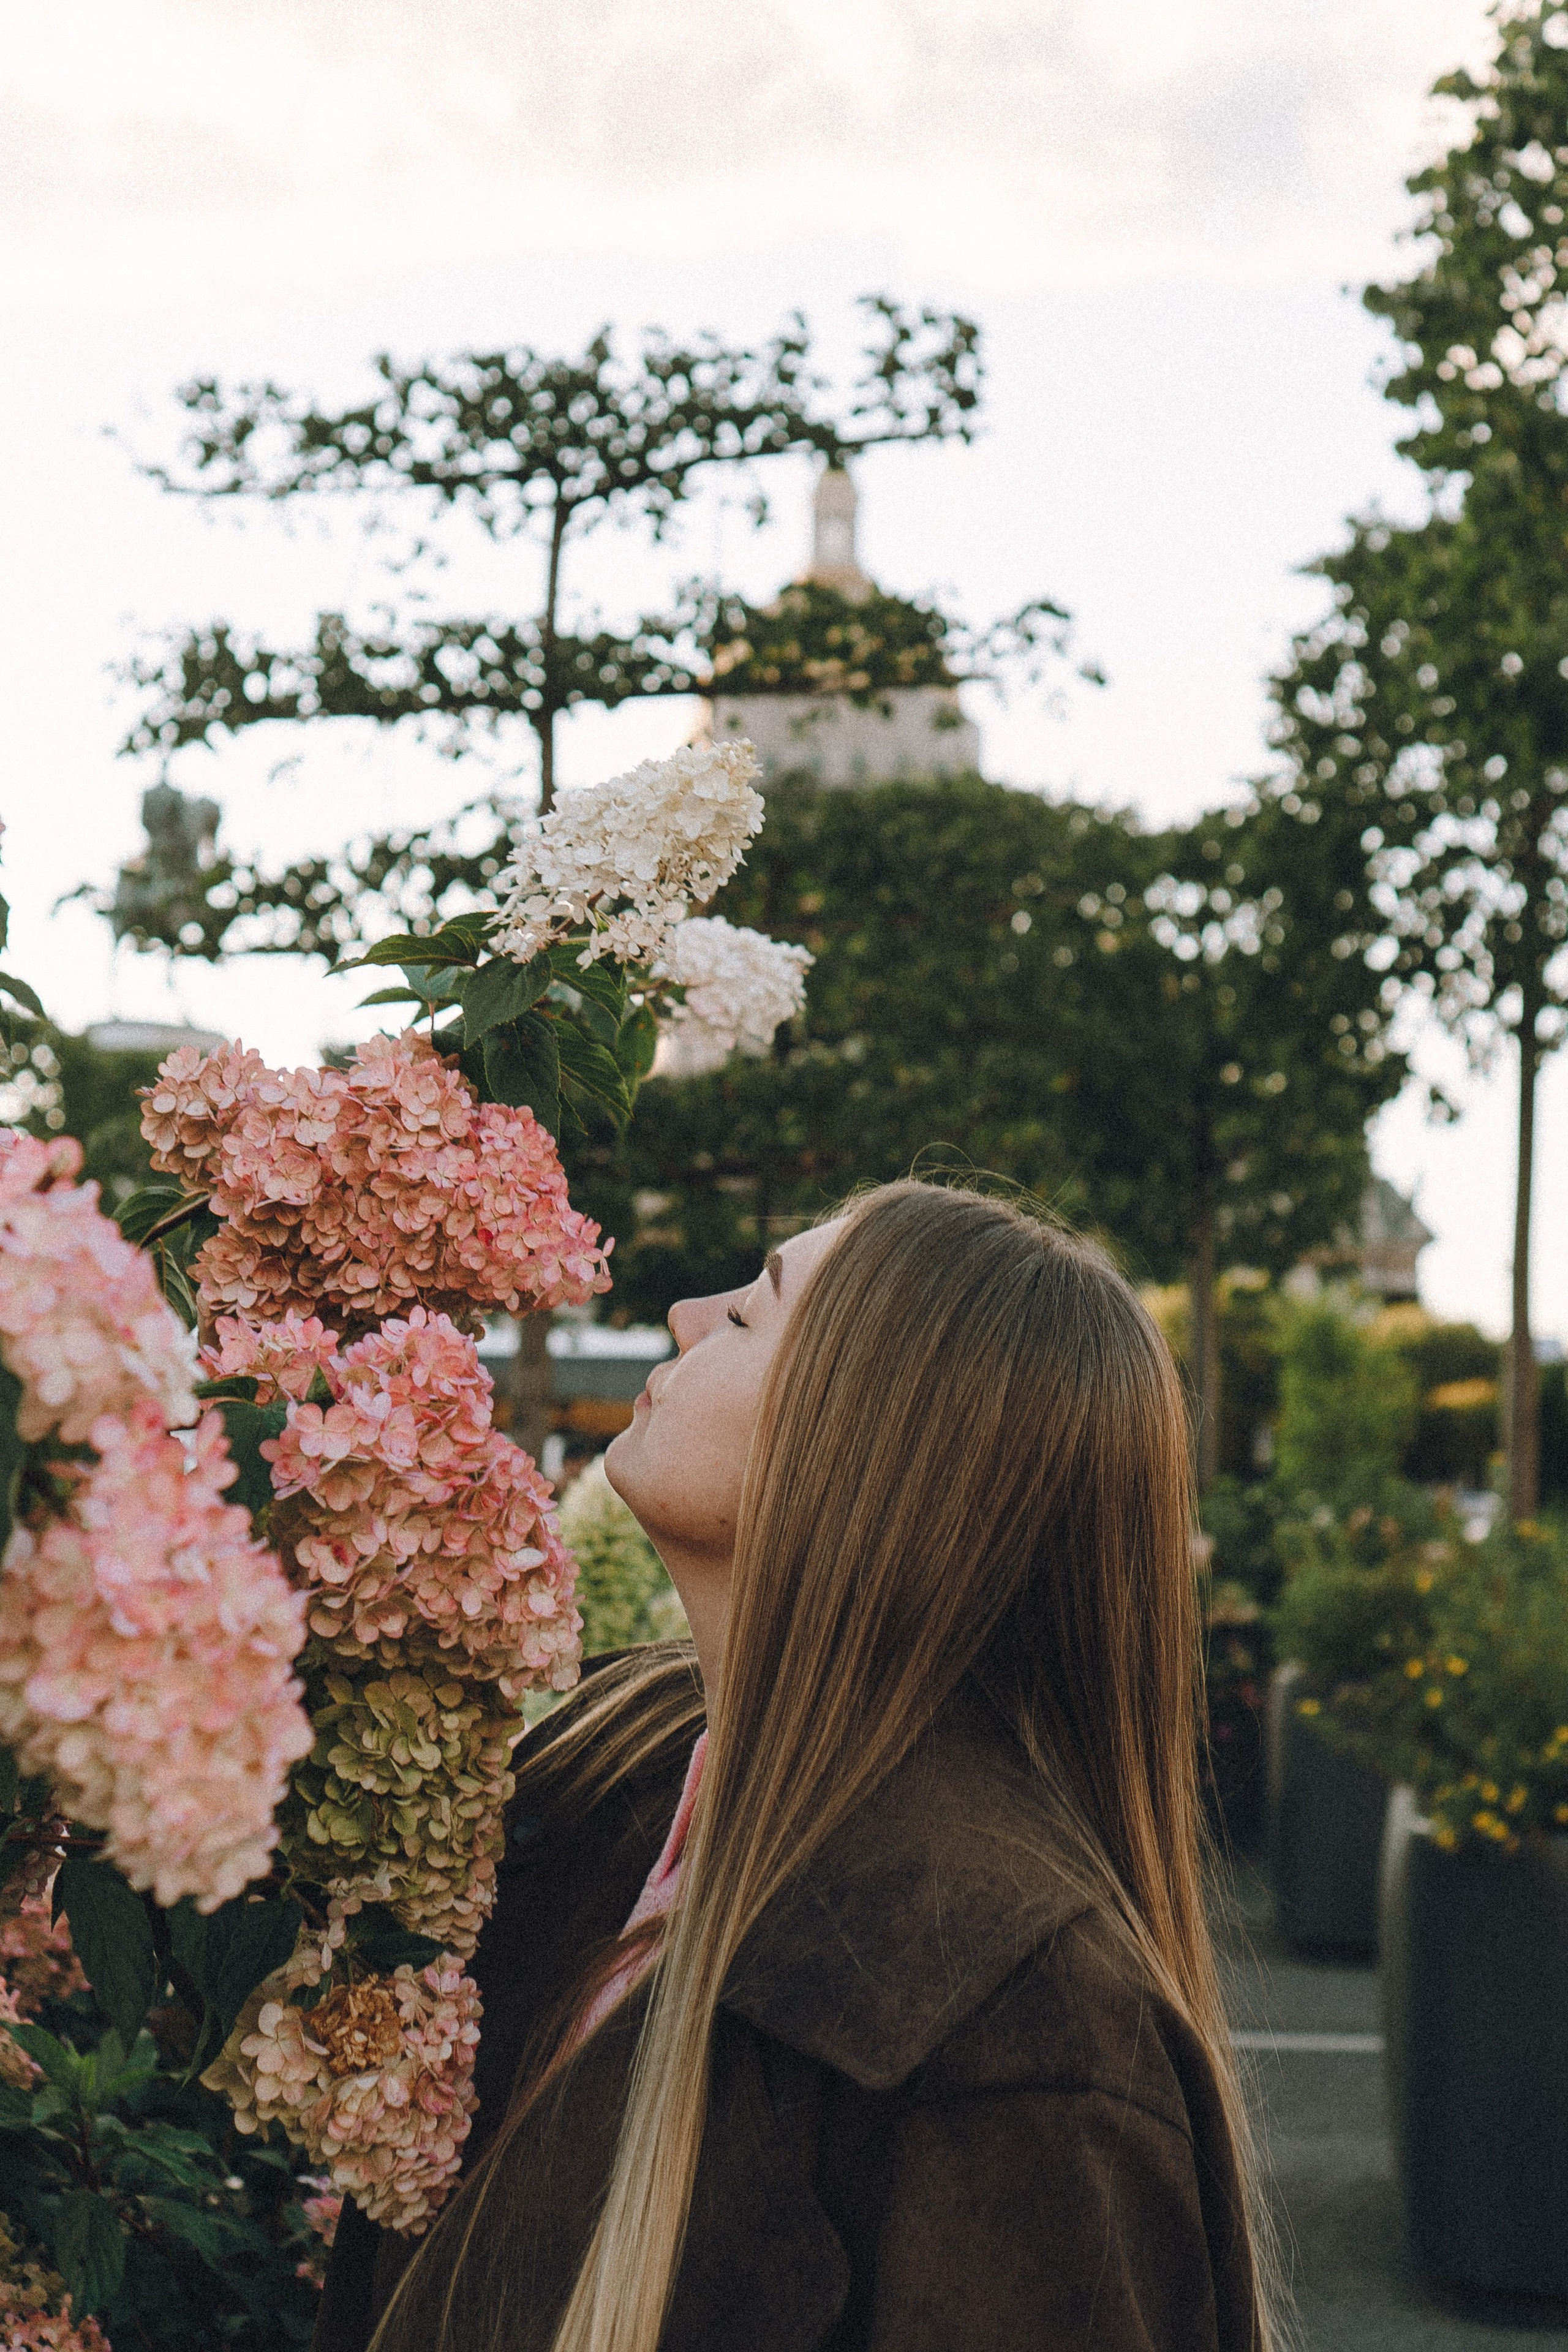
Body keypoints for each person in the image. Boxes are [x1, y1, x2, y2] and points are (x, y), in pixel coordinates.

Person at [315, 1180, 1273, 2352]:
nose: (680, 1314)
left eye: (745, 1317)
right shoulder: (619, 1756)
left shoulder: (1023, 2027)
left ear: (874, 1448)